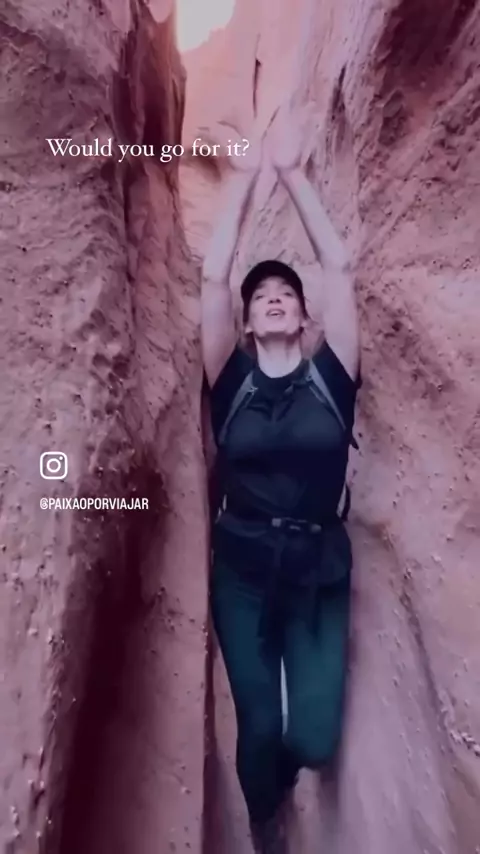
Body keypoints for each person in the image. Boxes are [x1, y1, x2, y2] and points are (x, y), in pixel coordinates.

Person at [201, 116, 361, 853]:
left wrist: (295, 176)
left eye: (286, 294)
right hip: (241, 568)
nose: (273, 296)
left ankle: (288, 774)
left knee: (315, 737)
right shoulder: (229, 380)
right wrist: (240, 182)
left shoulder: (333, 377)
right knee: (260, 723)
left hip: (319, 568)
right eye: (261, 293)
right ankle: (264, 818)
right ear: (246, 320)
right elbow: (213, 278)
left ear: (303, 318)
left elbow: (338, 267)